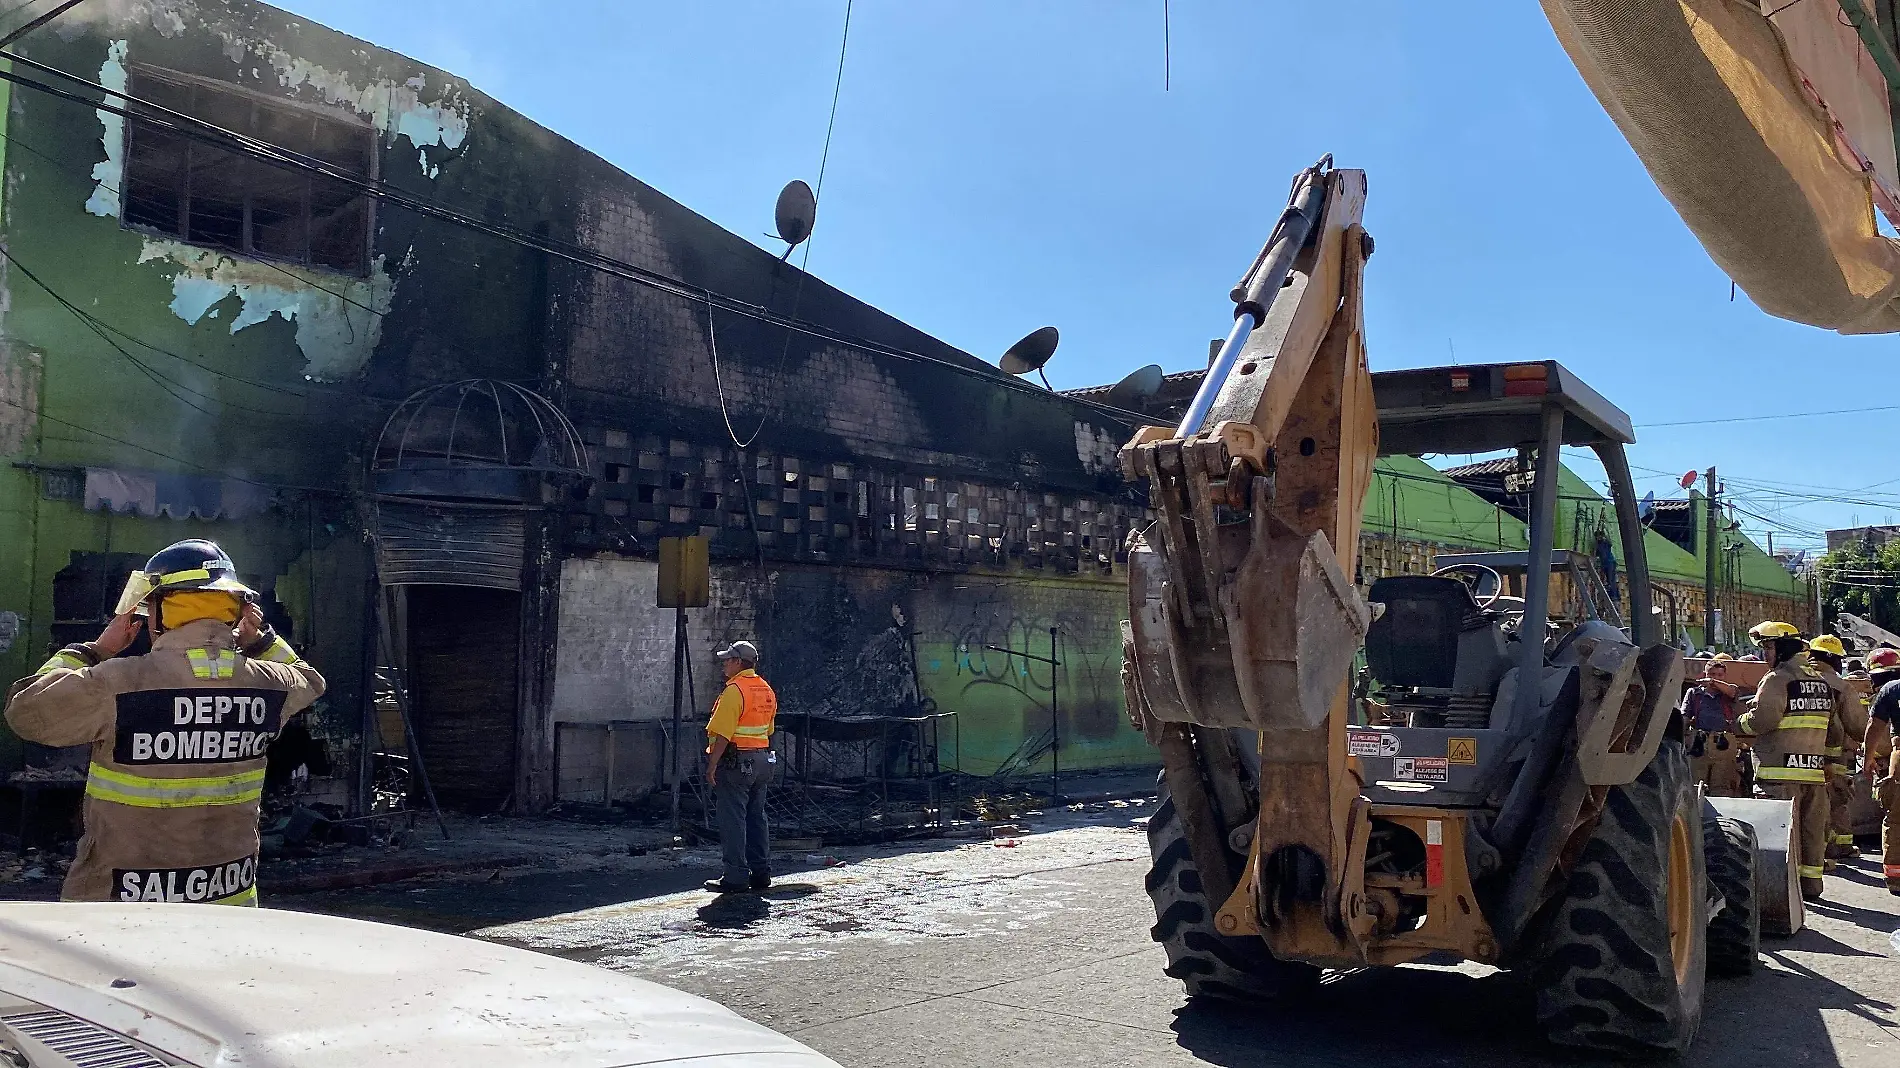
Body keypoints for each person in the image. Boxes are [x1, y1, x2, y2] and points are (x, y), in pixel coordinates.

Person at [4, 540, 323, 904]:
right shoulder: (270, 683)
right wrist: (262, 640)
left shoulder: (118, 680)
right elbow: (309, 679)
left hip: (123, 906)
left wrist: (94, 650)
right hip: (230, 900)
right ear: (237, 612)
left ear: (157, 612)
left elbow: (26, 711)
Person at [1736, 621, 1833, 901]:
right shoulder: (1818, 679)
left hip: (1779, 773)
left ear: (1783, 647)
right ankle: (1811, 886)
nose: (1765, 654)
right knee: (1812, 833)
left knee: (1781, 837)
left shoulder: (1777, 678)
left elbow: (1765, 719)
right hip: (1812, 772)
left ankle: (1780, 895)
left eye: (1768, 647)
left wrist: (1740, 723)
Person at [703, 639, 779, 894]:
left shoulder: (735, 691)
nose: (724, 664)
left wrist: (712, 765)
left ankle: (735, 876)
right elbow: (768, 729)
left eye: (727, 660)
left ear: (738, 663)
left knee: (733, 818)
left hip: (737, 763)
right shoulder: (766, 689)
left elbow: (723, 733)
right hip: (762, 761)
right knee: (757, 817)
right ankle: (761, 873)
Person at [1807, 635, 1870, 864]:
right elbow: (1859, 726)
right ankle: (1833, 849)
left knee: (1810, 805)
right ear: (1833, 659)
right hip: (1833, 755)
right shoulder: (1840, 686)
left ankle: (1824, 849)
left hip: (1796, 758)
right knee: (1835, 801)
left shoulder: (1791, 679)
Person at [1683, 654, 1747, 797]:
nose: (1715, 677)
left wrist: (1713, 682)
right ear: (1705, 674)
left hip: (1723, 744)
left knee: (1723, 787)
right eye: (1712, 674)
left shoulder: (1730, 691)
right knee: (1696, 786)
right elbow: (1685, 716)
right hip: (1700, 743)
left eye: (1719, 675)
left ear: (1724, 676)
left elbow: (1732, 691)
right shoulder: (1694, 693)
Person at [1866, 647, 1900, 895]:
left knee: (1897, 817)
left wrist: (1867, 758)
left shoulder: (1891, 690)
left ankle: (1896, 878)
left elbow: (1874, 727)